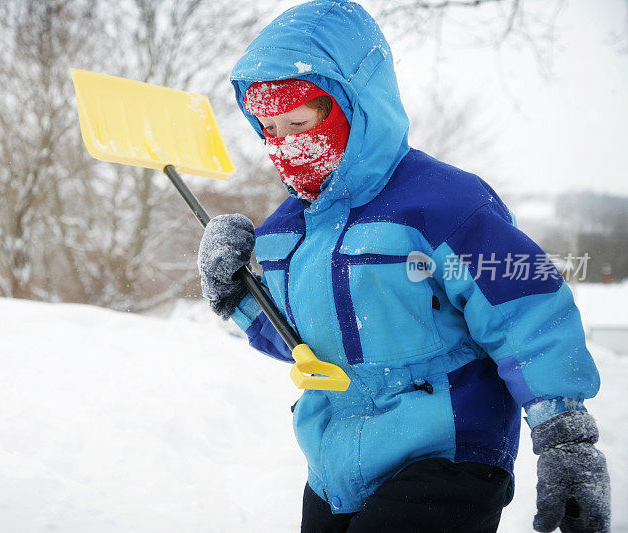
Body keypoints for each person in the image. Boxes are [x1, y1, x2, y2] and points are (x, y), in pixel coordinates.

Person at [196, 1, 611, 532]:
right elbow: (298, 341)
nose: (285, 146)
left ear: (354, 107)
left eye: (298, 122)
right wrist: (235, 290)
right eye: (269, 131)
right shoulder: (285, 233)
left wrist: (565, 435)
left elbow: (525, 308)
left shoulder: (445, 204)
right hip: (335, 464)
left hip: (448, 451)